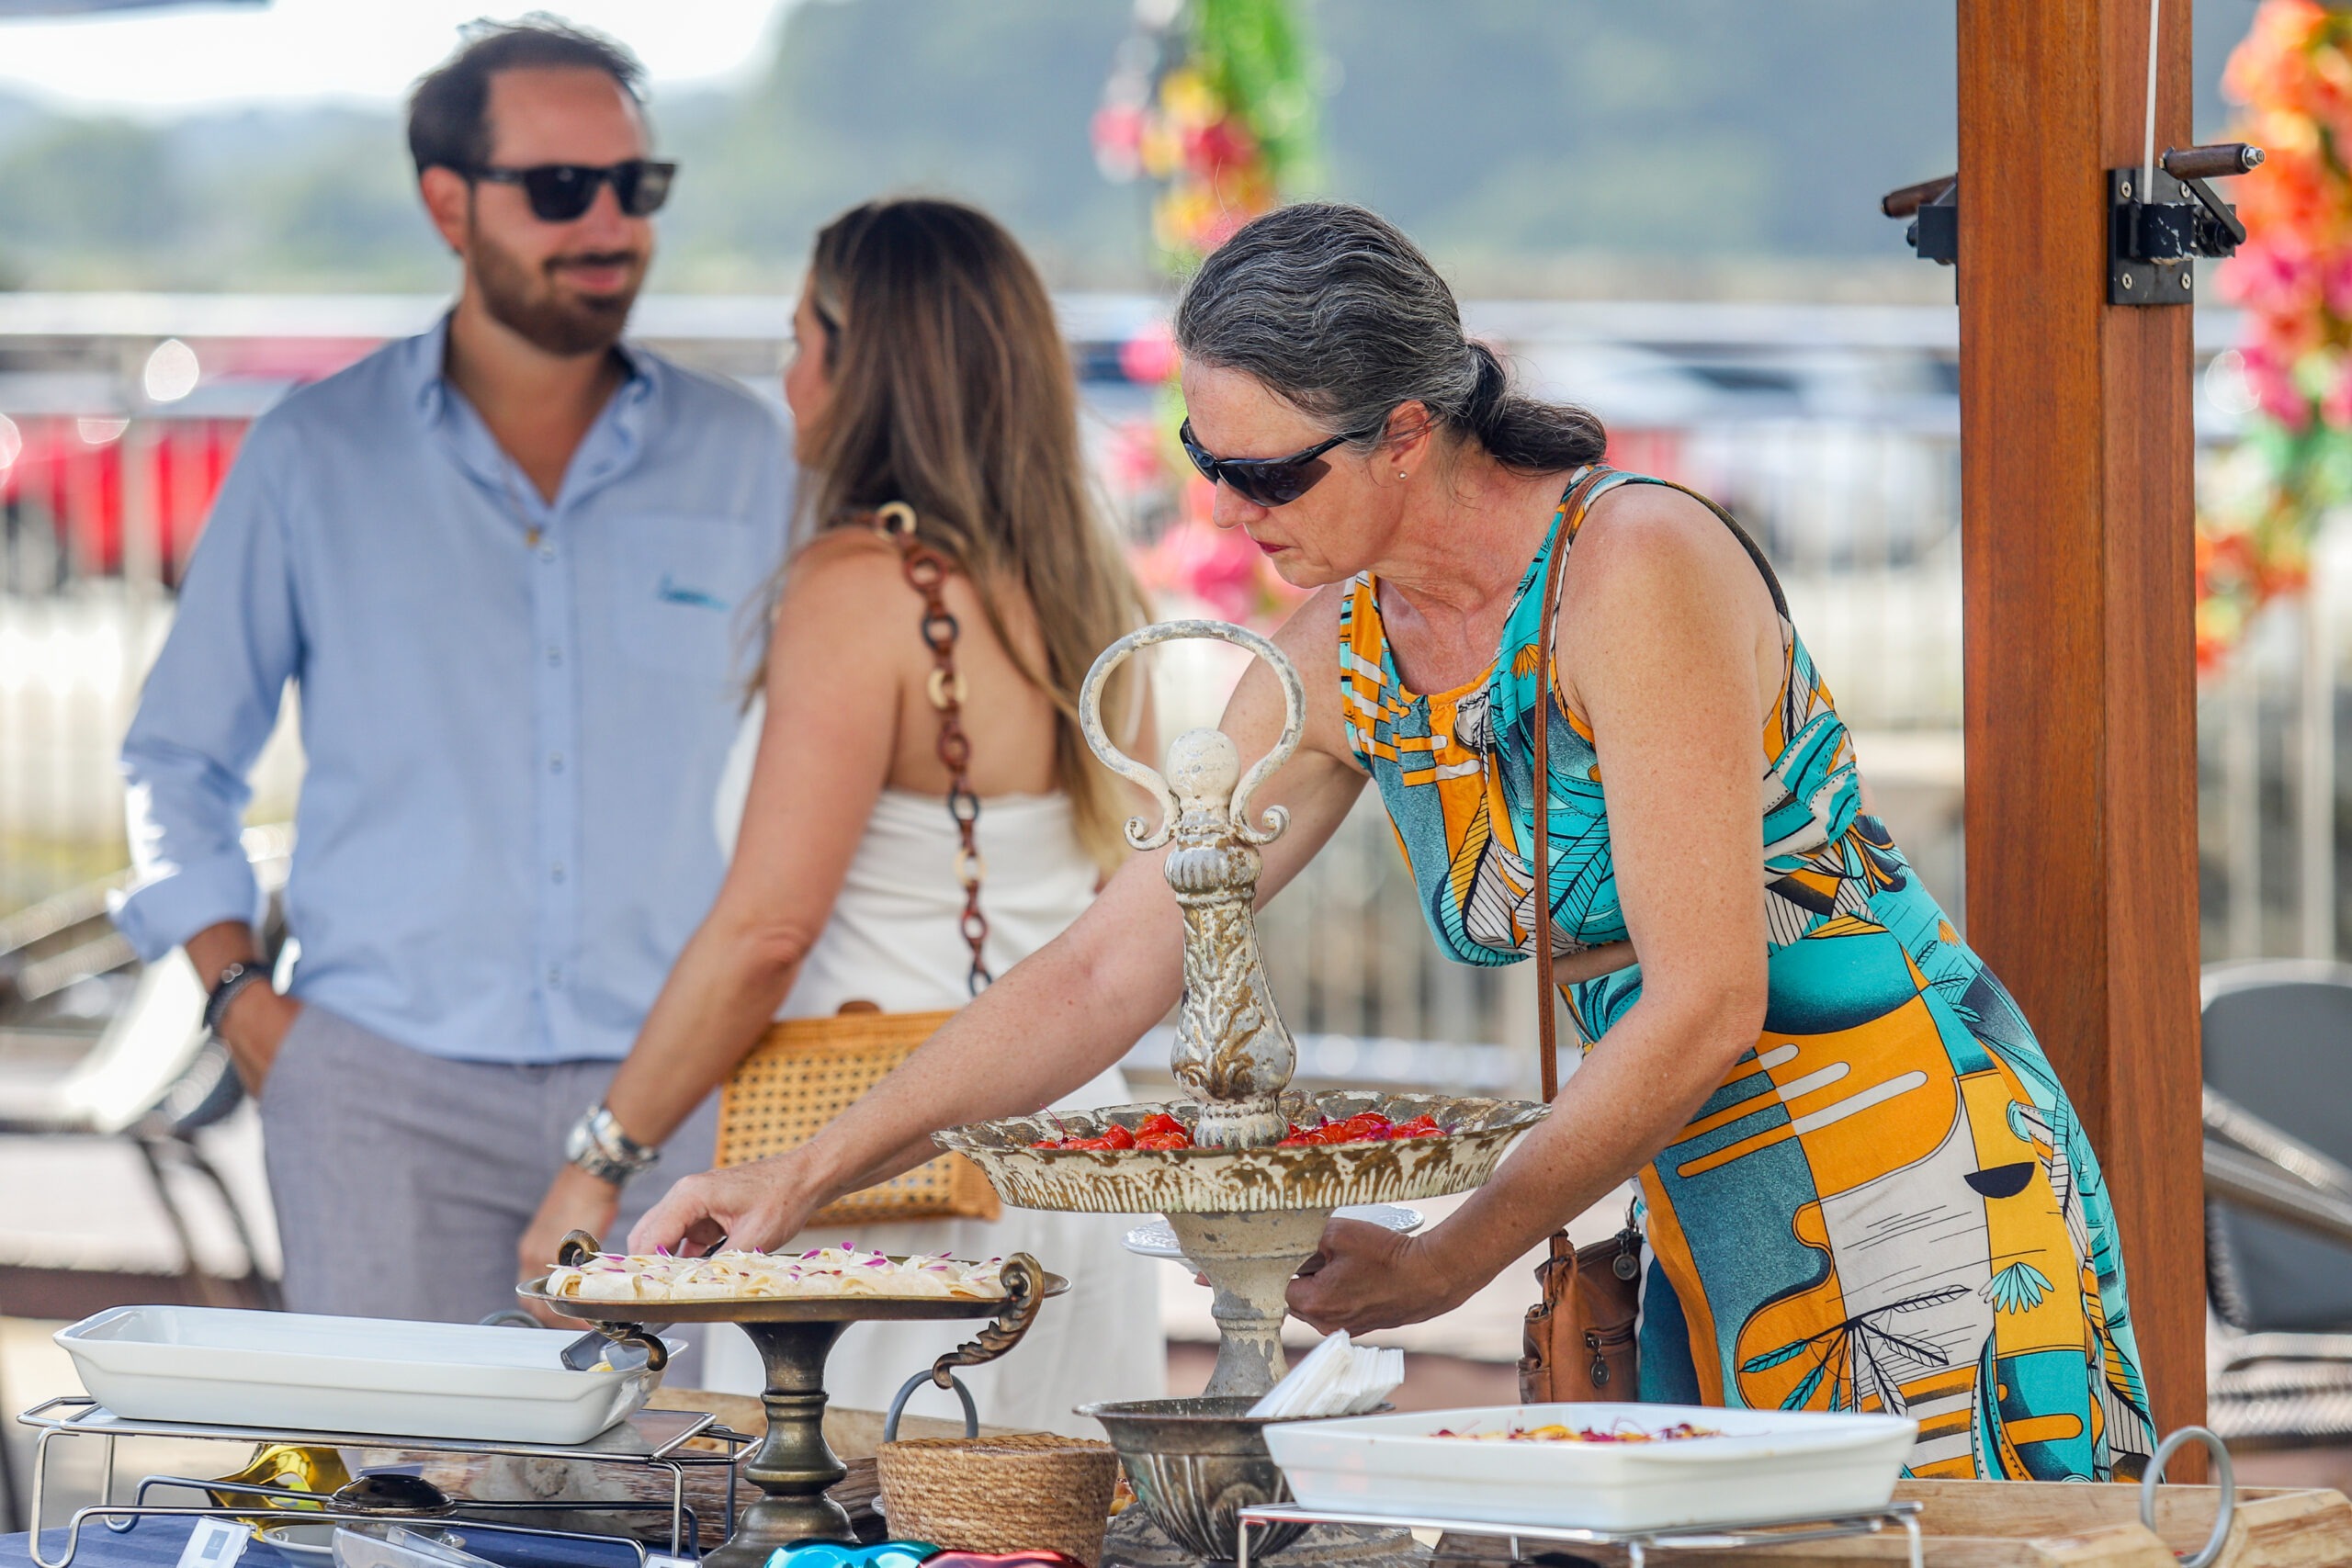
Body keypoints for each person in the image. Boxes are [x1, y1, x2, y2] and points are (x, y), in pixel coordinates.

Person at [633, 201, 2159, 1481]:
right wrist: (802, 1176)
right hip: (1697, 1167)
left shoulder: (1632, 565)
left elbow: (1708, 999)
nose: (1233, 511)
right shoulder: (1345, 651)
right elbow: (1107, 965)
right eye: (1206, 462)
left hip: (1901, 1148)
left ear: (1410, 434)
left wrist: (1451, 1258)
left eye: (1270, 473)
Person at [110, 19, 789, 1325]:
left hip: (683, 1097)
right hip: (379, 1096)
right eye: (561, 188)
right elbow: (176, 758)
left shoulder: (748, 456)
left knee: (681, 1459)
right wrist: (242, 1003)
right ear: (447, 204)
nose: (610, 223)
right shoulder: (313, 455)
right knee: (389, 1458)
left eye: (635, 185)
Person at [519, 197, 1164, 1433]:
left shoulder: (862, 588)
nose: (788, 374)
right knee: (1051, 1512)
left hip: (889, 1174)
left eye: (801, 337)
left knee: (848, 1508)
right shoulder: (1081, 582)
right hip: (1070, 1148)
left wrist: (600, 1160)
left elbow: (766, 931)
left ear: (866, 363)